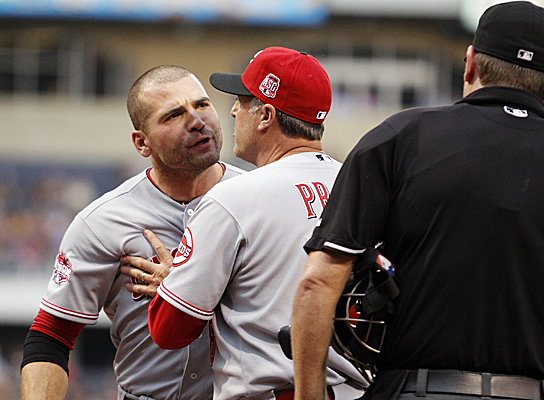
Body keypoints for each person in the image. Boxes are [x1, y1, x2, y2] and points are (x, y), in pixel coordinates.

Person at [290, 2, 544, 400]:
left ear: (470, 64)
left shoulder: (399, 139)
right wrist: (529, 321)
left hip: (417, 390)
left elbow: (317, 282)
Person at [122, 46, 368, 400]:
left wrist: (175, 282)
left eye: (242, 100)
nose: (234, 111)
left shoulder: (232, 198)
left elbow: (169, 331)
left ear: (265, 115)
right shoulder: (362, 187)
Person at [20, 65, 244, 400]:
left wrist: (185, 288)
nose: (197, 120)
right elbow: (51, 335)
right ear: (142, 143)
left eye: (202, 104)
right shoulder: (102, 221)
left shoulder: (256, 198)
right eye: (173, 115)